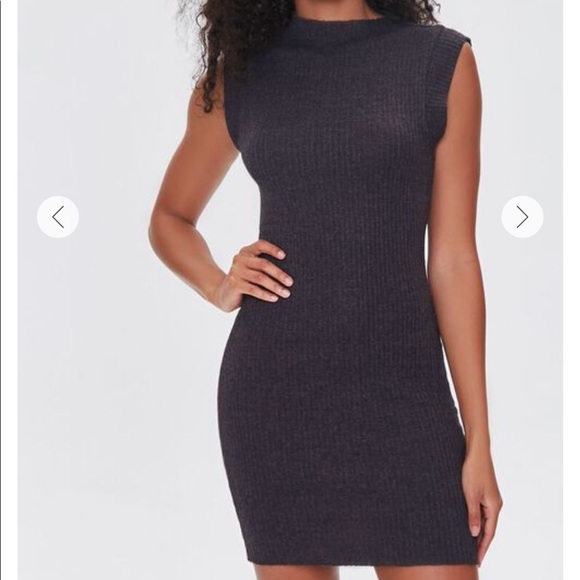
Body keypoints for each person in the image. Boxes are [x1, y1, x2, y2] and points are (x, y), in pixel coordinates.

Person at [148, 1, 503, 579]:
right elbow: (169, 217)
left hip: (407, 397)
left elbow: (454, 261)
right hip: (276, 398)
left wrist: (478, 441)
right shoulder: (241, 72)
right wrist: (218, 284)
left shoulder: (440, 61)